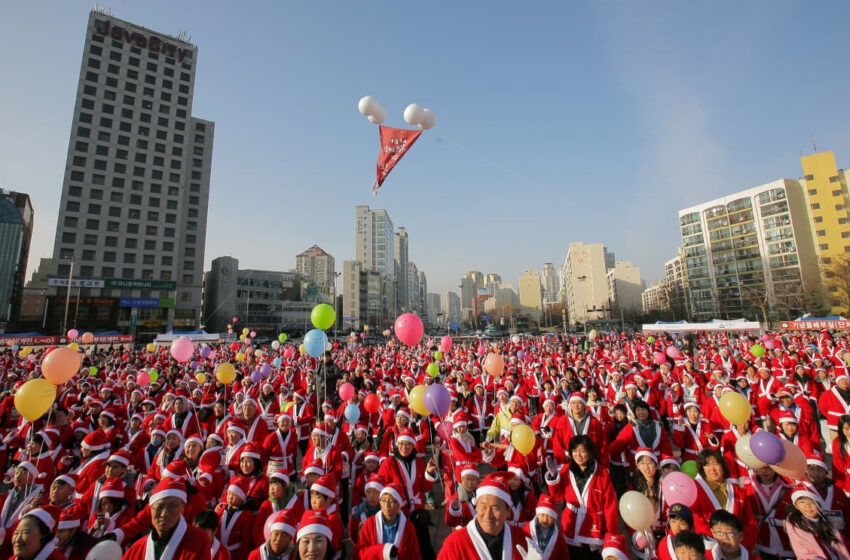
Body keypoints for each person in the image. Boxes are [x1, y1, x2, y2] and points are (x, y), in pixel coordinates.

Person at [545, 435, 618, 559]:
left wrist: (611, 536)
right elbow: (558, 495)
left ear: (590, 452)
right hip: (571, 525)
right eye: (574, 451)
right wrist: (553, 478)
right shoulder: (566, 470)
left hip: (593, 529)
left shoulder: (602, 474)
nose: (578, 455)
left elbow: (610, 508)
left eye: (582, 451)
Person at [437, 472, 532, 559]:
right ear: (476, 507)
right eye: (483, 507)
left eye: (495, 508)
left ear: (508, 512)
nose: (488, 514)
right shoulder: (455, 544)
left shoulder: (521, 538)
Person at [122, 478, 212, 560]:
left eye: (172, 506)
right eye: (159, 507)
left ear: (183, 507)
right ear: (150, 509)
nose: (164, 514)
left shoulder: (198, 542)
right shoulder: (136, 550)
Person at [691, 449, 757, 551]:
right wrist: (718, 535)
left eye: (715, 464)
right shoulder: (696, 489)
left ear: (723, 465)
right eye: (707, 465)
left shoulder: (736, 490)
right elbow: (695, 518)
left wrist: (744, 545)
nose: (712, 469)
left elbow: (750, 522)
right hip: (709, 547)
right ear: (702, 469)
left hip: (737, 547)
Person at [355, 483, 421, 560]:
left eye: (392, 501)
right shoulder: (369, 524)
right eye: (383, 500)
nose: (387, 505)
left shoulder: (408, 527)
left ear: (399, 504)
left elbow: (414, 555)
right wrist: (382, 550)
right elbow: (359, 553)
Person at [785, 484, 850, 560]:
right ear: (796, 506)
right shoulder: (796, 523)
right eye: (802, 502)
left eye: (811, 502)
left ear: (818, 505)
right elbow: (803, 550)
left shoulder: (827, 521)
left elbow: (842, 544)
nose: (807, 506)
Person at [521, 494, 568, 560]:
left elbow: (564, 555)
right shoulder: (527, 529)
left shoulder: (559, 536)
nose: (545, 519)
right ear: (537, 515)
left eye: (549, 516)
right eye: (542, 515)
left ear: (554, 518)